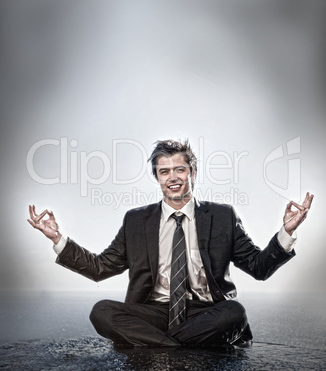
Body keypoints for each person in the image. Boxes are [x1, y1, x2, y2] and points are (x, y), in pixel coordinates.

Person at [27, 139, 313, 347]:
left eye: (180, 170)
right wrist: (56, 238)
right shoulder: (136, 221)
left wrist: (285, 233)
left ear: (192, 173)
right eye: (164, 172)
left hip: (205, 312)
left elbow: (258, 267)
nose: (173, 178)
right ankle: (179, 347)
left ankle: (157, 345)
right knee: (101, 310)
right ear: (157, 178)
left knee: (234, 312)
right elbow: (100, 268)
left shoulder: (223, 216)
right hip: (154, 311)